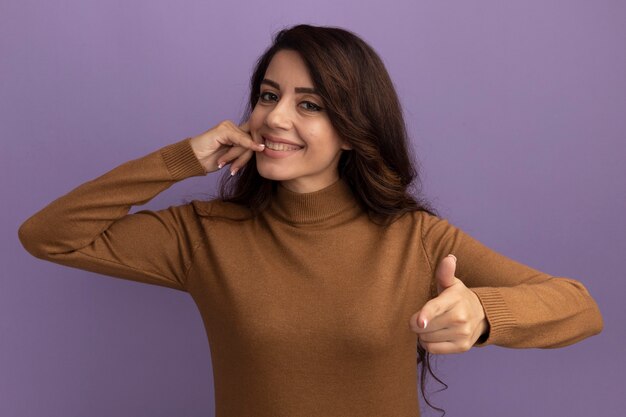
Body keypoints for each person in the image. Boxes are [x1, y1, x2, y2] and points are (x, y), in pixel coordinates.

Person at [18, 24, 603, 417]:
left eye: (309, 104)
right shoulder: (202, 234)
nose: (275, 118)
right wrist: (178, 160)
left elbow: (580, 307)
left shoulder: (415, 239)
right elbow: (49, 236)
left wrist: (484, 314)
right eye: (269, 95)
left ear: (352, 128)